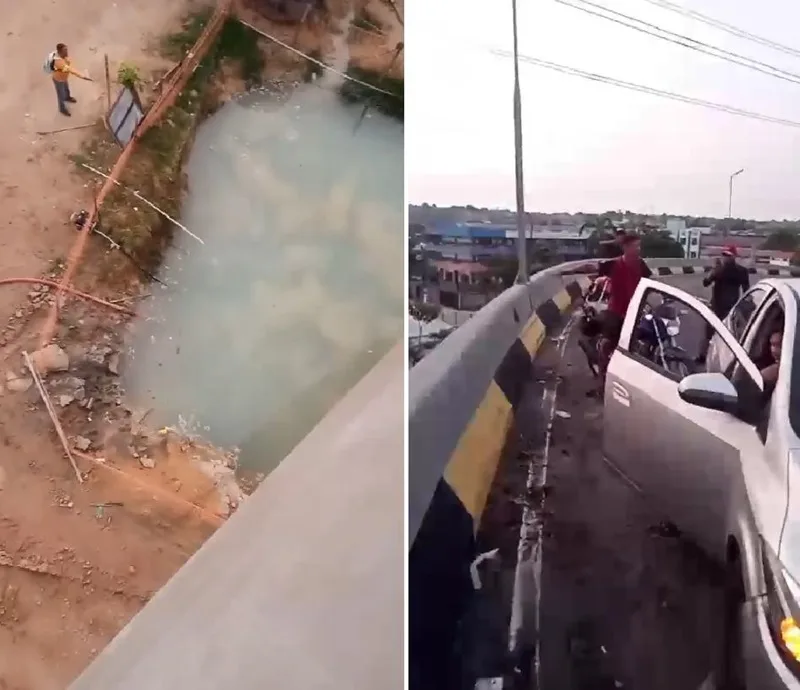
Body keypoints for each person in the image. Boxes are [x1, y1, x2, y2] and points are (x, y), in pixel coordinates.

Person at [596, 233, 652, 382]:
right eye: (635, 246)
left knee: (634, 349)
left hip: (634, 313)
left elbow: (650, 284)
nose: (638, 249)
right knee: (606, 346)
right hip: (615, 312)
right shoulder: (614, 264)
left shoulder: (642, 266)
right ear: (625, 248)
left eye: (639, 246)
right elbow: (593, 268)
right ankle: (602, 382)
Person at [696, 245, 750, 363]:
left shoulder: (722, 270)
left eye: (728, 255)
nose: (725, 257)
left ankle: (723, 359)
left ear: (734, 257)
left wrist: (714, 271)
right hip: (722, 306)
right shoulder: (739, 271)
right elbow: (706, 282)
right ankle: (705, 356)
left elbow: (706, 282)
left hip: (727, 307)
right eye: (724, 255)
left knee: (722, 334)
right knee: (714, 334)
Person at [50, 43, 92, 117]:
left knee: (66, 89)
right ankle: (62, 109)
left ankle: (67, 97)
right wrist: (83, 76)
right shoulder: (59, 63)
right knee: (61, 95)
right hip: (59, 80)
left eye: (66, 49)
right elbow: (70, 70)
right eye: (65, 50)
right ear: (59, 52)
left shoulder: (63, 56)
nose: (67, 52)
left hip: (64, 77)